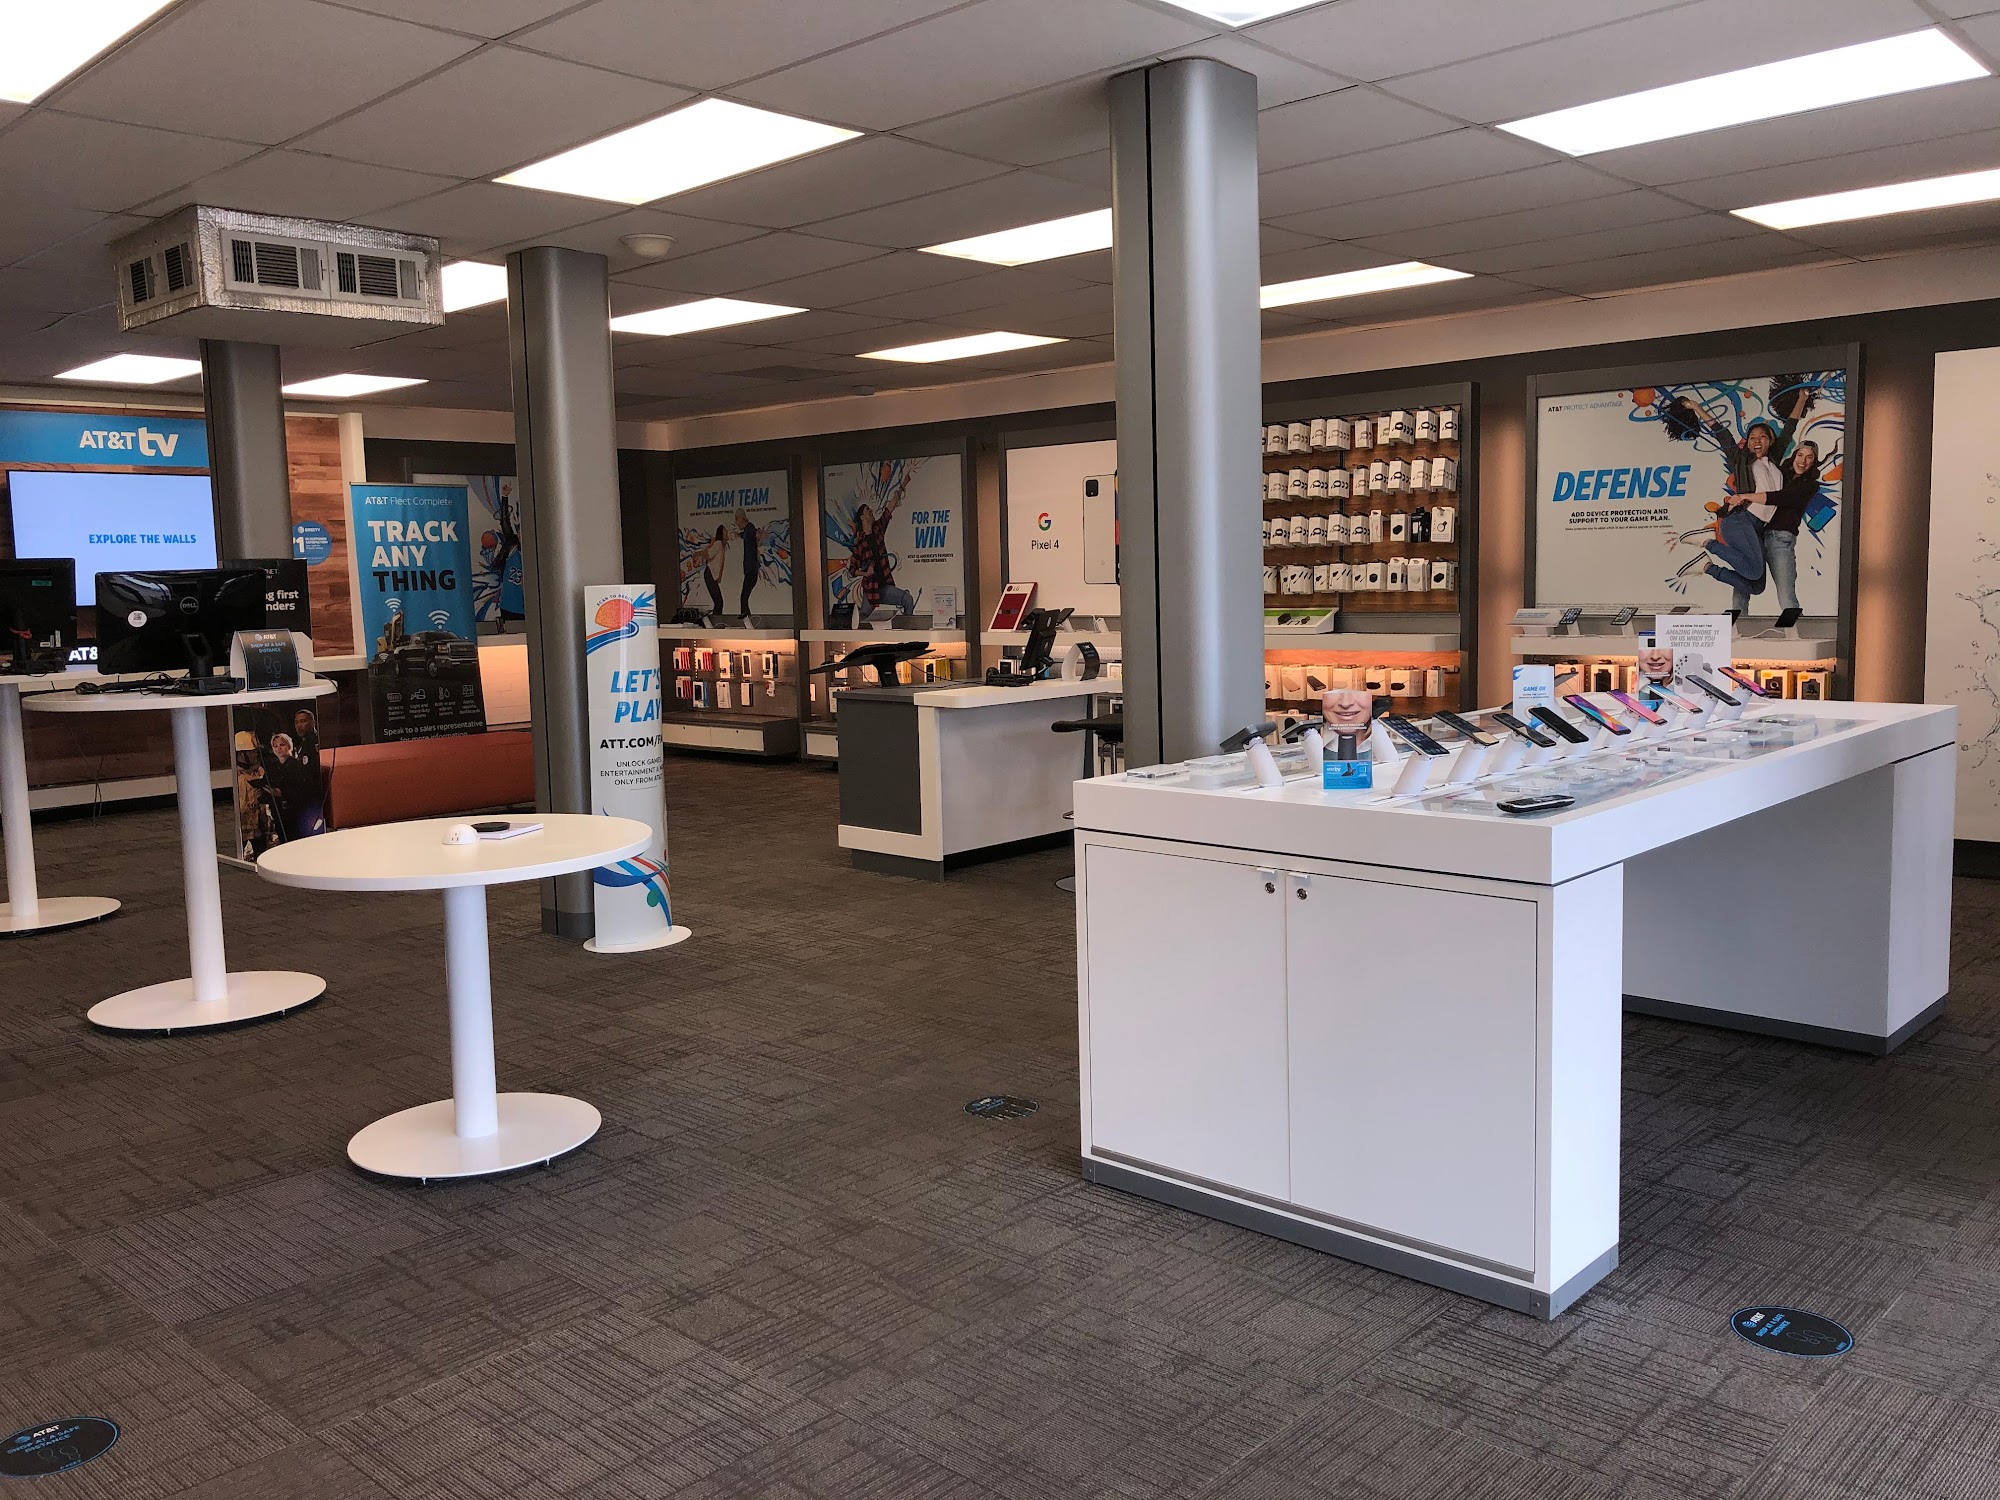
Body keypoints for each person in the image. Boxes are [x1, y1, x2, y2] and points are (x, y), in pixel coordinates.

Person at [1724, 441, 1820, 626]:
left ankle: (1793, 634)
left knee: (1785, 592)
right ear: (1794, 455)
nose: (1803, 461)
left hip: (1780, 539)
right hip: (1758, 533)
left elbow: (1781, 498)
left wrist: (1745, 496)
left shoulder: (1810, 485)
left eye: (1809, 457)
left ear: (1814, 461)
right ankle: (1736, 630)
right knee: (1744, 581)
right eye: (1800, 455)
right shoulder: (1780, 473)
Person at [846, 496, 917, 617]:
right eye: (867, 509)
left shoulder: (878, 529)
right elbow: (852, 569)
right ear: (862, 517)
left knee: (907, 600)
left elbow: (889, 510)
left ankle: (906, 627)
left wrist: (901, 488)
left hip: (884, 587)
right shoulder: (860, 542)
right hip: (871, 591)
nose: (871, 511)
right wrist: (866, 574)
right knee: (863, 619)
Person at [734, 507, 761, 624]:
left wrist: (739, 535)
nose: (736, 522)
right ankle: (748, 619)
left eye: (737, 519)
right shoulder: (748, 530)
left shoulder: (750, 528)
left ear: (741, 518)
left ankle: (746, 618)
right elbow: (746, 535)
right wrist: (739, 534)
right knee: (744, 595)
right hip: (751, 569)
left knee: (744, 595)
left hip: (751, 569)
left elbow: (751, 534)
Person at [700, 524, 727, 622]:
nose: (727, 533)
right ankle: (716, 624)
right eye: (725, 531)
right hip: (710, 574)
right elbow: (709, 554)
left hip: (711, 575)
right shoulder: (718, 544)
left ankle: (716, 623)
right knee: (719, 601)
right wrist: (711, 545)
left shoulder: (720, 545)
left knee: (718, 601)